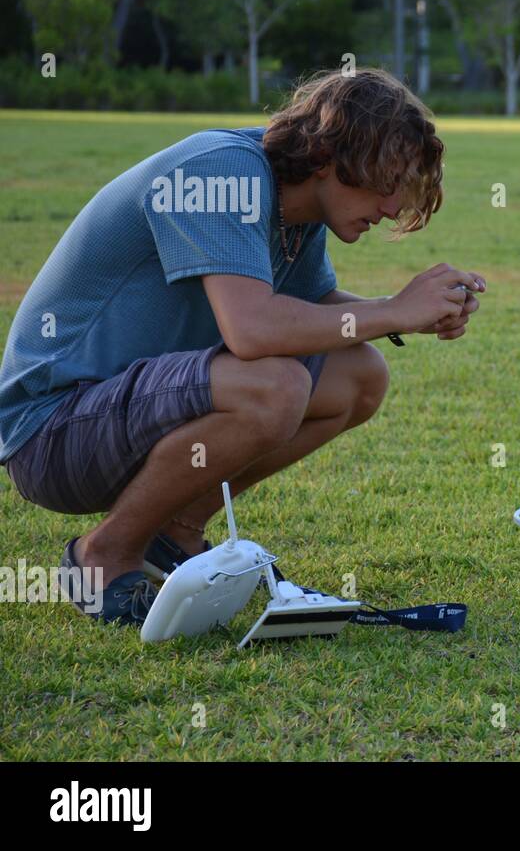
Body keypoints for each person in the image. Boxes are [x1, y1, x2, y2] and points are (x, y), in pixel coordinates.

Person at [0, 68, 484, 625]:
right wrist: (394, 309)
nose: (395, 204)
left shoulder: (294, 206)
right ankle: (103, 555)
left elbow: (313, 309)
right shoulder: (220, 171)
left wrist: (410, 314)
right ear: (328, 154)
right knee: (273, 387)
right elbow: (253, 329)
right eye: (387, 179)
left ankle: (176, 533)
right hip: (52, 430)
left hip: (118, 410)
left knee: (359, 374)